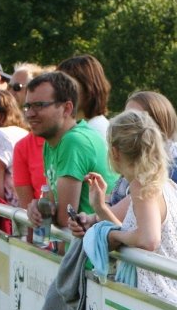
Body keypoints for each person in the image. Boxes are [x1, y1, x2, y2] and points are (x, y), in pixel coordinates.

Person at [73, 110, 177, 310]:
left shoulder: (142, 186)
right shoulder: (163, 185)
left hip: (162, 303)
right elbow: (130, 229)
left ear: (115, 151)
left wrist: (113, 235)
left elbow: (148, 239)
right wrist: (99, 207)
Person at [23, 70, 116, 230]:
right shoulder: (52, 141)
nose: (30, 114)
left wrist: (43, 209)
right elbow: (52, 203)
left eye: (39, 105)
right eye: (27, 106)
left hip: (94, 251)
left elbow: (65, 217)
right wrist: (38, 206)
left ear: (67, 108)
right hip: (80, 247)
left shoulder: (73, 141)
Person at [9, 63, 46, 209]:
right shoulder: (24, 145)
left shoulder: (71, 138)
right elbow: (28, 210)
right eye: (9, 87)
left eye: (17, 87)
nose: (10, 93)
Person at [58, 54, 111, 142]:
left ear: (89, 87)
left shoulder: (95, 130)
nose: (61, 91)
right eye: (58, 86)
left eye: (68, 85)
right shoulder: (76, 128)